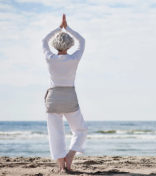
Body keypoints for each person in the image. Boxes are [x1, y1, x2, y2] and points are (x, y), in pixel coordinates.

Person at [42, 14, 88, 173]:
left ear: (55, 45)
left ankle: (61, 165)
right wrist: (67, 27)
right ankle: (70, 156)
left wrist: (58, 27)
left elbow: (43, 41)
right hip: (69, 97)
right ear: (69, 45)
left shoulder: (50, 58)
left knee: (55, 133)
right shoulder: (74, 58)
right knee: (80, 129)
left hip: (53, 98)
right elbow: (82, 41)